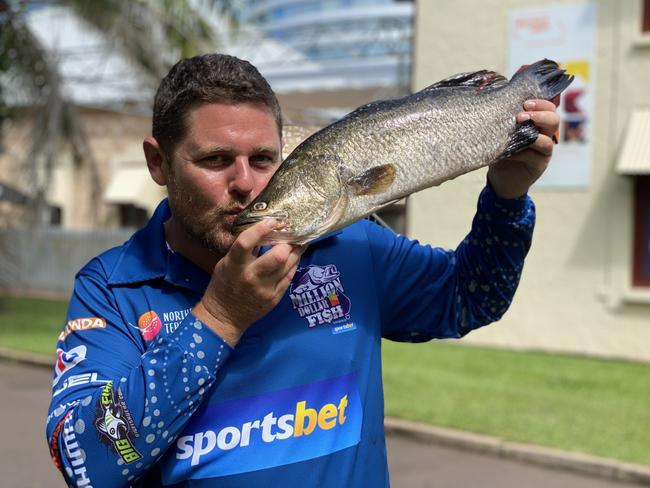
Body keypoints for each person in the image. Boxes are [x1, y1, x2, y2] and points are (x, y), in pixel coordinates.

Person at [46, 53, 560, 487]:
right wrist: (221, 316)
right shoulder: (114, 286)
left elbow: (469, 298)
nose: (245, 184)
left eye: (264, 158)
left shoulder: (346, 242)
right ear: (158, 163)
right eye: (215, 160)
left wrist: (508, 197)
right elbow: (88, 463)